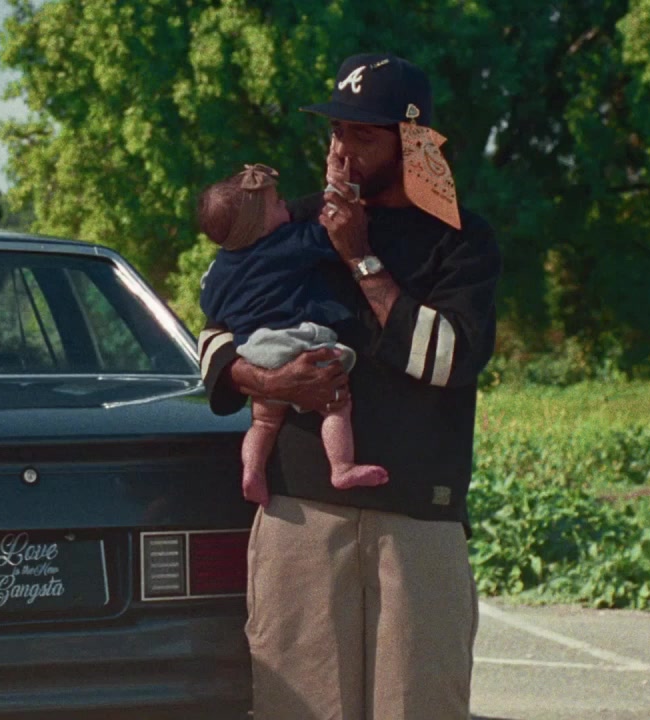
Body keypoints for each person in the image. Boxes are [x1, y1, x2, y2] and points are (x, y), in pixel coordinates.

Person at [198, 53, 501, 719]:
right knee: (298, 707)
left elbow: (448, 358)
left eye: (363, 135)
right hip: (300, 516)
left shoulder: (461, 240)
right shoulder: (293, 220)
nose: (342, 149)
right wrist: (267, 378)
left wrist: (361, 257)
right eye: (337, 130)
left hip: (418, 521)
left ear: (413, 142)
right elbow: (215, 332)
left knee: (419, 707)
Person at [197, 162, 388, 506]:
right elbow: (331, 236)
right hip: (297, 341)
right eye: (277, 203)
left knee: (263, 422)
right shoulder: (290, 242)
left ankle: (252, 471)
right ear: (258, 224)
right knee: (335, 404)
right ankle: (341, 466)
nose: (286, 203)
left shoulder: (219, 270)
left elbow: (211, 305)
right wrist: (343, 202)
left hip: (254, 351)